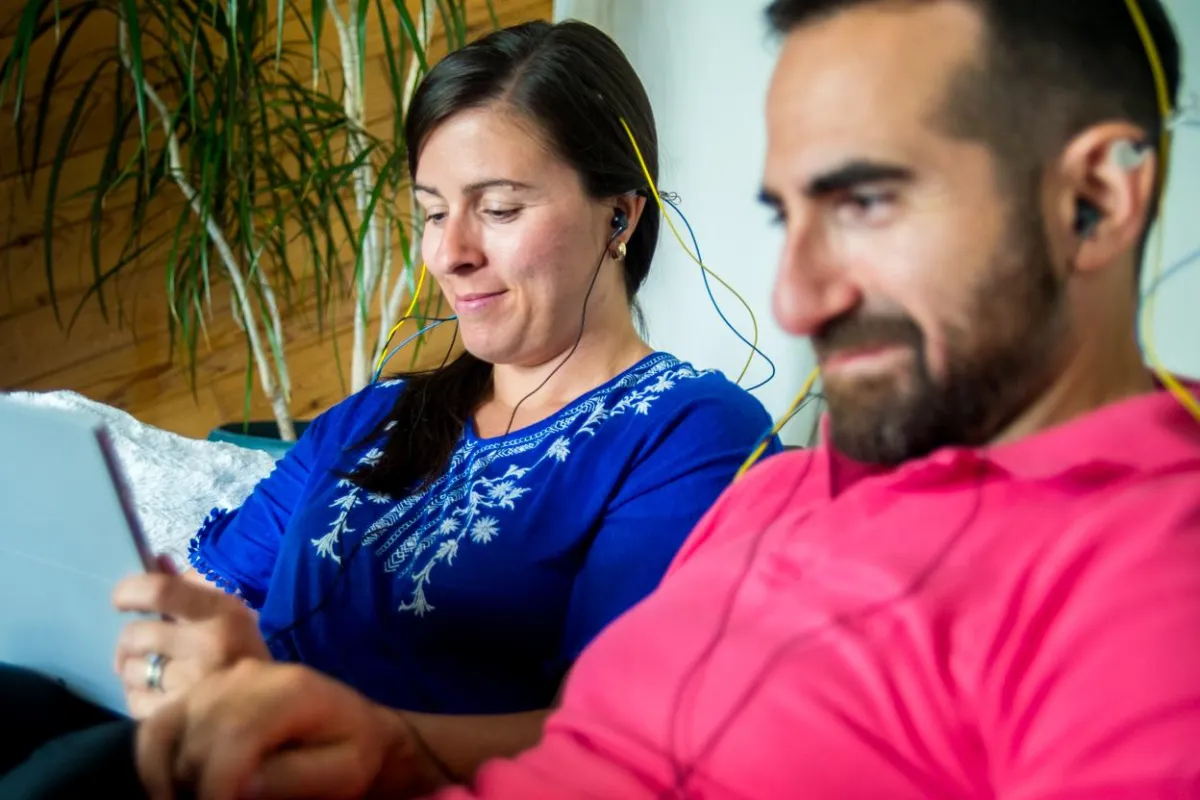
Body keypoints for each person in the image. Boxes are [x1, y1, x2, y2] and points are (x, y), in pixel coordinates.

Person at [134, 0, 1200, 797]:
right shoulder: (783, 494)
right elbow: (599, 748)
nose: (794, 298)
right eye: (787, 218)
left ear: (1095, 200)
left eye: (866, 203)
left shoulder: (1150, 572)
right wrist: (376, 749)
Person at [0, 19, 780, 797]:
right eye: (434, 211)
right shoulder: (377, 414)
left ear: (620, 216)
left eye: (499, 209)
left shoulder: (690, 433)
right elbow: (217, 588)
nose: (449, 253)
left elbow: (613, 736)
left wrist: (361, 738)